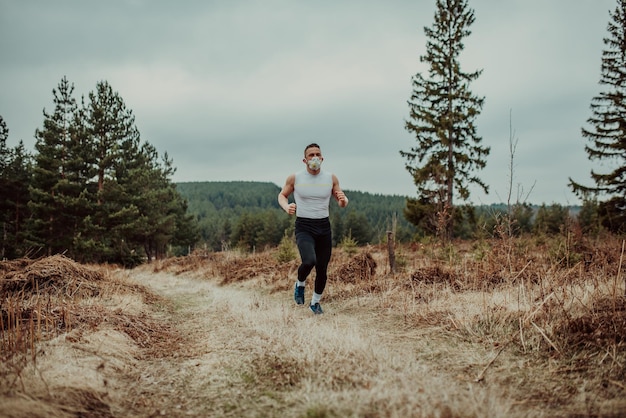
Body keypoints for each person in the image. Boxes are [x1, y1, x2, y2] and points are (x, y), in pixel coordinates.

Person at [278, 143, 349, 314]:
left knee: (322, 269)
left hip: (324, 226)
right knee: (309, 261)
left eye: (318, 154)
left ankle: (315, 303)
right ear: (305, 160)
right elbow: (282, 195)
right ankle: (300, 283)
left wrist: (343, 200)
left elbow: (341, 201)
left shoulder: (331, 178)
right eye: (311, 155)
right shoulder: (295, 178)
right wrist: (287, 207)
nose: (315, 157)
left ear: (322, 158)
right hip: (304, 226)